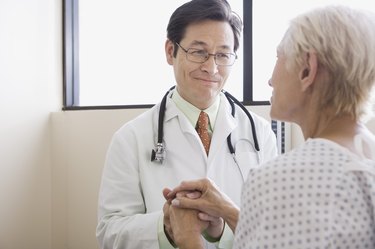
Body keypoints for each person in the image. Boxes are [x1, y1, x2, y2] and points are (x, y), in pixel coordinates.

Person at [165, 5, 375, 249]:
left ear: (308, 69)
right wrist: (230, 212)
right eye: (199, 52)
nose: (270, 79)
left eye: (279, 57)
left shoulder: (280, 181)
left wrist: (188, 239)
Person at [96, 0, 278, 248]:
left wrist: (222, 229)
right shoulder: (131, 138)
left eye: (223, 55)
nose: (212, 68)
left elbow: (274, 228)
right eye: (199, 52)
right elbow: (109, 233)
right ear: (170, 51)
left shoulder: (260, 133)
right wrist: (166, 226)